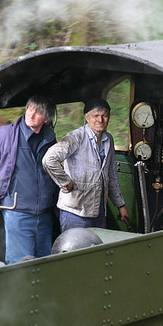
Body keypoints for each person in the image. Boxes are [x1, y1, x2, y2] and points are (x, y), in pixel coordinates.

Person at [0, 95, 58, 264]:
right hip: (17, 212)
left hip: (45, 214)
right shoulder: (4, 135)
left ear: (46, 118)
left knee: (45, 263)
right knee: (20, 265)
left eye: (38, 112)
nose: (31, 114)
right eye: (30, 109)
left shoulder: (50, 139)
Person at [42, 98, 129, 233]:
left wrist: (120, 205)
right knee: (75, 250)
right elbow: (49, 159)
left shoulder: (108, 140)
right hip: (75, 212)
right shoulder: (76, 137)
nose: (100, 120)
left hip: (99, 211)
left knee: (97, 251)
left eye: (104, 116)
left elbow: (111, 176)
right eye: (95, 116)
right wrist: (65, 181)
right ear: (87, 117)